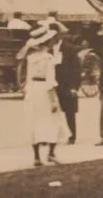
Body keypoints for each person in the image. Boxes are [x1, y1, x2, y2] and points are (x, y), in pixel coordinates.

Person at [22, 25, 70, 167]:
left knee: (34, 121)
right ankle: (51, 153)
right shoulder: (48, 59)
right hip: (43, 91)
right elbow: (50, 81)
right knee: (53, 120)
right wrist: (53, 100)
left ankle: (36, 156)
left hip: (32, 90)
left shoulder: (30, 58)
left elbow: (28, 77)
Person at [53, 29, 82, 144]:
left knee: (69, 112)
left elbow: (76, 68)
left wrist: (75, 86)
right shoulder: (49, 49)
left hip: (67, 84)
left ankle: (72, 135)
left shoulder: (69, 48)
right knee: (52, 111)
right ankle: (52, 136)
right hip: (53, 84)